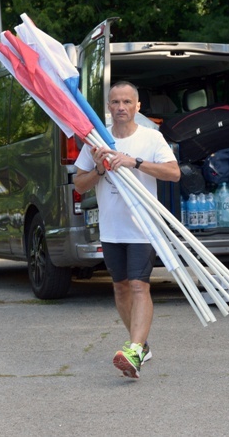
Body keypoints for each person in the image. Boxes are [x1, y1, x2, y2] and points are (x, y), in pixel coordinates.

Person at [74, 81, 180, 377]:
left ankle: (133, 348)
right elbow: (80, 186)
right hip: (111, 230)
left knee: (138, 285)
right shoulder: (96, 141)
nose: (121, 107)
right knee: (120, 288)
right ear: (108, 107)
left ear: (137, 107)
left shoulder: (151, 138)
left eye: (126, 102)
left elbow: (174, 173)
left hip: (142, 227)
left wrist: (135, 162)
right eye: (115, 102)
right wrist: (98, 168)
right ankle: (140, 346)